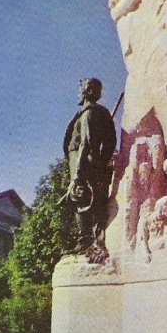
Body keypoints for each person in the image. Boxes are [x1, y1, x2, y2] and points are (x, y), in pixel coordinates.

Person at [62, 78, 118, 259]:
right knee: (82, 200)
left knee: (80, 198)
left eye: (80, 90)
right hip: (86, 163)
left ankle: (88, 241)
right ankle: (88, 240)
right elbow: (110, 142)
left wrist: (78, 174)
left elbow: (85, 143)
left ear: (88, 91)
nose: (78, 94)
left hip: (83, 164)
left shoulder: (89, 113)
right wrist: (102, 161)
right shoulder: (95, 113)